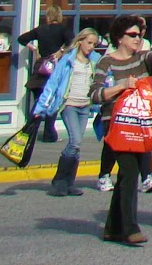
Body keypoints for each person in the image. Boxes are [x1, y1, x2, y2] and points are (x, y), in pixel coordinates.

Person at [91, 15, 152, 246]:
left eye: (140, 35)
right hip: (116, 124)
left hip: (140, 123)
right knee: (128, 171)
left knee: (130, 173)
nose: (138, 39)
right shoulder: (106, 63)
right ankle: (130, 228)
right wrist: (120, 86)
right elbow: (95, 95)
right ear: (119, 37)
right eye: (133, 35)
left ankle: (112, 228)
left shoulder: (142, 59)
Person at [33, 26, 101, 197]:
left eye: (95, 44)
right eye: (89, 43)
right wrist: (41, 108)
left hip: (85, 106)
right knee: (75, 141)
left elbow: (104, 82)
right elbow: (53, 83)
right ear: (80, 41)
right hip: (69, 104)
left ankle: (69, 183)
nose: (92, 47)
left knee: (77, 146)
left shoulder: (96, 60)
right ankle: (59, 181)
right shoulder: (68, 60)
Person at [17, 5, 67, 142]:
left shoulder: (41, 29)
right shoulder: (63, 29)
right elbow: (73, 43)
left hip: (41, 67)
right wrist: (60, 51)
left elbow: (21, 39)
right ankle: (48, 134)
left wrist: (34, 49)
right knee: (52, 101)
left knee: (39, 100)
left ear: (48, 16)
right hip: (55, 68)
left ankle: (29, 132)